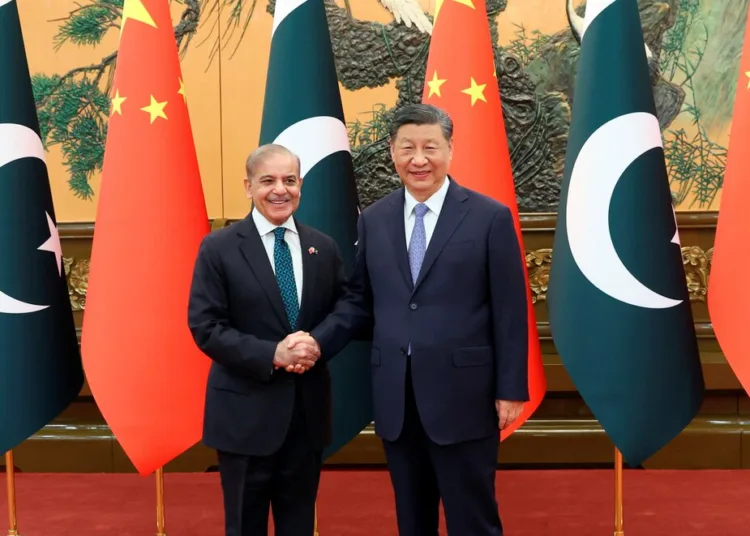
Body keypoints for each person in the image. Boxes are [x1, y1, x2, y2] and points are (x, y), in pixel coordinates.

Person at [288, 104, 530, 535]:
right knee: (412, 520)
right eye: (408, 148)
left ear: (450, 150)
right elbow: (359, 301)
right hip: (397, 398)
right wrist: (318, 341)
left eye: (430, 147)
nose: (419, 159)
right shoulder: (375, 219)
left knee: (472, 519)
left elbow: (510, 310)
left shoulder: (489, 217)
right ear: (392, 152)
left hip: (465, 397)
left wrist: (510, 389)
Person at [187, 144, 344, 536]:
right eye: (268, 180)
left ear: (300, 185)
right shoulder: (219, 247)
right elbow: (206, 326)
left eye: (289, 180)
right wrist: (273, 354)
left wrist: (316, 344)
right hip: (244, 419)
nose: (280, 190)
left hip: (306, 418)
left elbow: (345, 311)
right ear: (248, 186)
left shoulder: (323, 247)